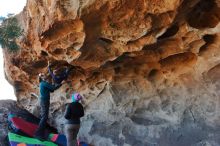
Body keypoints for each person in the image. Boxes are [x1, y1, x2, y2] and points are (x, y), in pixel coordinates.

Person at [34, 73, 62, 140]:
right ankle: (38, 133)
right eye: (43, 75)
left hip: (44, 101)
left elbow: (51, 90)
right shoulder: (43, 83)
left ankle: (40, 133)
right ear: (42, 77)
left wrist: (54, 84)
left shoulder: (43, 83)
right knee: (44, 117)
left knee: (44, 117)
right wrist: (60, 84)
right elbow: (54, 87)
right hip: (44, 101)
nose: (45, 76)